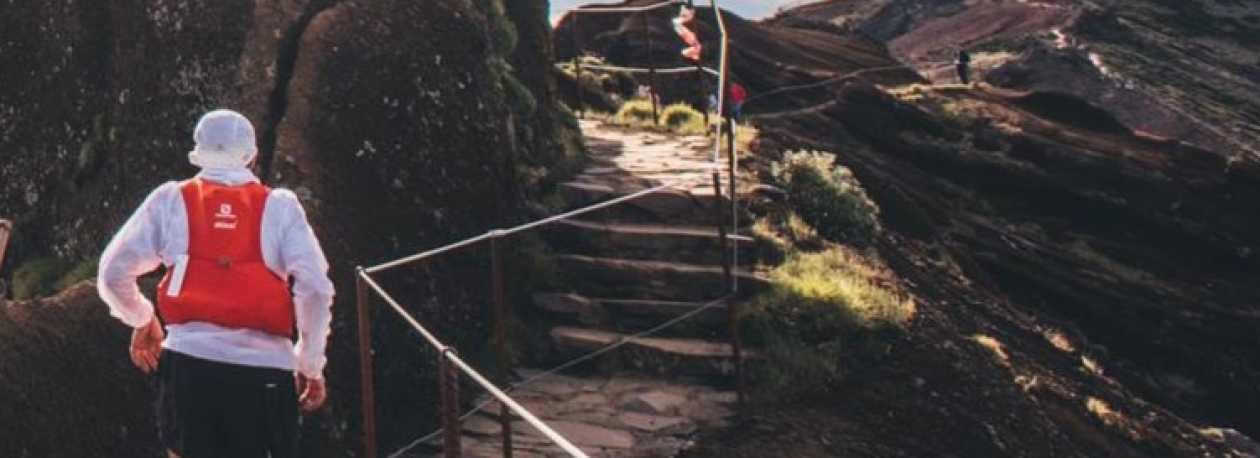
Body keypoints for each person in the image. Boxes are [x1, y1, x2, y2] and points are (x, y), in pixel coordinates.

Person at [97, 109, 335, 458]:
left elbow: (111, 273)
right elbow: (316, 288)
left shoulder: (170, 200)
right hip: (264, 375)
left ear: (198, 154)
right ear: (252, 157)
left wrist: (142, 317)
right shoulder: (281, 208)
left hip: (189, 369)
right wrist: (309, 363)